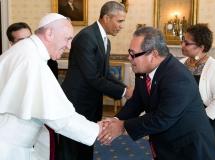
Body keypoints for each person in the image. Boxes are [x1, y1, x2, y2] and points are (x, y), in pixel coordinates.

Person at [98, 26, 215, 160]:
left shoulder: (178, 77)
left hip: (190, 150)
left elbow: (162, 118)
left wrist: (123, 126)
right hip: (166, 146)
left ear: (154, 55)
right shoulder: (143, 71)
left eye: (133, 53)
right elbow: (136, 102)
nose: (129, 57)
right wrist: (116, 120)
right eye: (129, 52)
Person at [0, 13, 104, 160]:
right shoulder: (33, 60)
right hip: (9, 148)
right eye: (67, 39)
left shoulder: (24, 51)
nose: (69, 46)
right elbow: (60, 117)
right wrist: (97, 130)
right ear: (49, 33)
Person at [57, 1, 134, 160]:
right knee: (71, 150)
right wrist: (125, 92)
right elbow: (93, 77)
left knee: (87, 145)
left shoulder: (105, 40)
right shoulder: (86, 37)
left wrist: (125, 88)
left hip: (91, 103)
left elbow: (105, 73)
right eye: (119, 21)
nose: (122, 25)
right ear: (106, 17)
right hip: (76, 104)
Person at [6, 22, 59, 160]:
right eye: (21, 40)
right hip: (18, 121)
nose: (27, 43)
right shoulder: (7, 61)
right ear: (11, 43)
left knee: (46, 148)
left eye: (30, 38)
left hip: (43, 112)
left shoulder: (49, 59)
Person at [180, 24, 215, 137]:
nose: (182, 45)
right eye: (183, 40)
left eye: (187, 43)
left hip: (204, 123)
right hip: (182, 120)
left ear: (201, 48)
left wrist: (198, 120)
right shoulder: (181, 63)